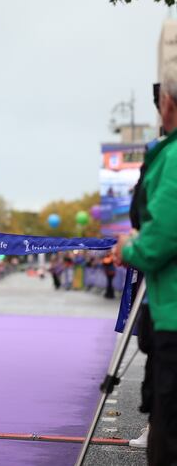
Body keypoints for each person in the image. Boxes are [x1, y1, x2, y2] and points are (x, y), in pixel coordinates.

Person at [114, 70, 177, 464]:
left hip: (172, 308)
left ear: (167, 103)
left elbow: (162, 237)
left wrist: (130, 249)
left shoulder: (171, 155)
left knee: (168, 423)